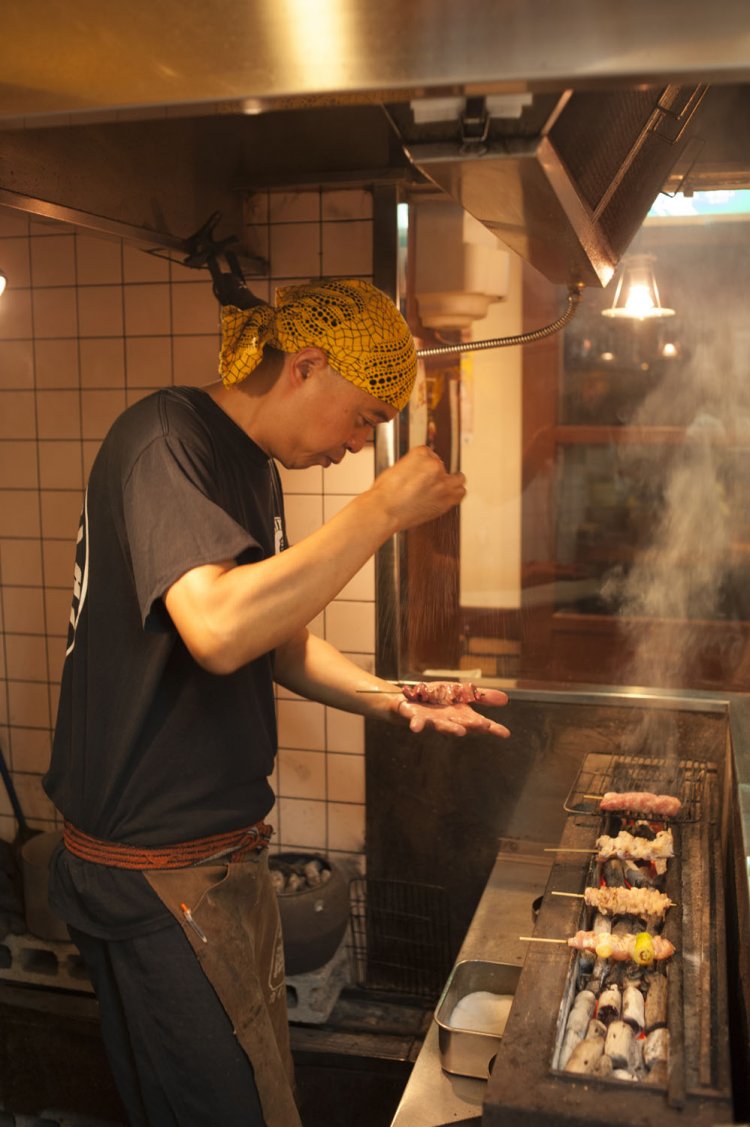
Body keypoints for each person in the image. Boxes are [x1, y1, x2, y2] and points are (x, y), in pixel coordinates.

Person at [43, 277, 510, 1127]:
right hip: (156, 877)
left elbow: (280, 641)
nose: (360, 445)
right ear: (307, 365)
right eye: (365, 417)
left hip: (213, 865)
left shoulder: (253, 467)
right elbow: (217, 627)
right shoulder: (164, 438)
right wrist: (376, 514)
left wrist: (396, 700)